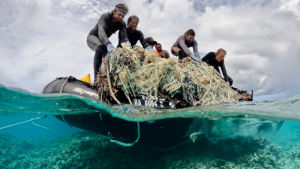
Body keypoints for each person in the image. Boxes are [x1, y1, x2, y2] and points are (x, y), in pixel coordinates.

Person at [87, 3, 130, 81]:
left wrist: (127, 44)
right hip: (93, 37)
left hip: (104, 43)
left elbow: (124, 37)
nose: (120, 17)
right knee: (99, 47)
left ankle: (105, 80)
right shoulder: (105, 17)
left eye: (122, 16)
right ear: (114, 12)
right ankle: (96, 78)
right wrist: (108, 43)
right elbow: (101, 32)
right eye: (119, 14)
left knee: (109, 59)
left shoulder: (122, 24)